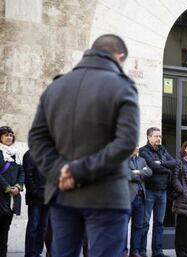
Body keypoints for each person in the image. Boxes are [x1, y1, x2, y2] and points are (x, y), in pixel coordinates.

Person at [28, 34, 140, 257]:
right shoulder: (122, 86)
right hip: (106, 194)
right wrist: (77, 171)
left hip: (63, 192)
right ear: (119, 57)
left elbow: (37, 139)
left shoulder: (56, 87)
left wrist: (61, 171)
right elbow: (126, 143)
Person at [139, 127, 177, 257]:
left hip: (162, 192)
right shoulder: (144, 151)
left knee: (159, 223)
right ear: (149, 137)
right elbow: (151, 166)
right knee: (145, 223)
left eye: (159, 136)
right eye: (156, 136)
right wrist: (166, 169)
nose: (158, 138)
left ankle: (157, 251)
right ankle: (142, 251)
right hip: (149, 191)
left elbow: (175, 162)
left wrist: (161, 163)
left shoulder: (163, 150)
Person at [123, 147, 152, 257]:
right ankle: (123, 252)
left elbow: (149, 172)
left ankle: (134, 251)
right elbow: (125, 174)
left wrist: (136, 172)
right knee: (124, 227)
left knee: (138, 226)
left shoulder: (142, 160)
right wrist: (140, 173)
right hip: (127, 198)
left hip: (141, 198)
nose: (135, 148)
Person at [0, 126, 24, 257]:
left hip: (11, 199)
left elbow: (22, 172)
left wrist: (18, 186)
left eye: (10, 135)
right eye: (5, 135)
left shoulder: (16, 154)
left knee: (4, 231)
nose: (9, 137)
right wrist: (8, 188)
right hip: (1, 196)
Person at [23, 150, 49, 257]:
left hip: (48, 198)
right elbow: (27, 176)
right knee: (33, 226)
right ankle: (30, 254)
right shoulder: (30, 154)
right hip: (35, 198)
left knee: (43, 228)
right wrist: (36, 193)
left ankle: (37, 252)